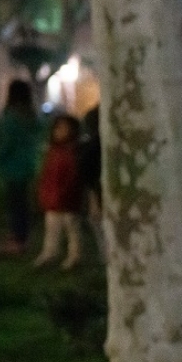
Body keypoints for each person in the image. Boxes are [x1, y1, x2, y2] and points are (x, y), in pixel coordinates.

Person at [0, 79, 40, 256]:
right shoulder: (32, 115)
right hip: (27, 165)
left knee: (15, 205)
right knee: (22, 204)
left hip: (12, 167)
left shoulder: (11, 116)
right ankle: (22, 237)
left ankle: (17, 240)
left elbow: (7, 143)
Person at [33, 114, 83, 271]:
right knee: (52, 227)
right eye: (58, 128)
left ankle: (75, 256)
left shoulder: (73, 153)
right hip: (53, 198)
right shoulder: (53, 152)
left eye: (64, 129)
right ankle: (49, 253)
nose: (60, 132)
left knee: (71, 227)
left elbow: (73, 177)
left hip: (68, 198)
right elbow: (47, 175)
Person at [77, 104, 106, 262]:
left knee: (99, 222)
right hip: (99, 189)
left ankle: (106, 256)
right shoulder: (102, 144)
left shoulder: (91, 147)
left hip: (97, 190)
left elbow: (86, 172)